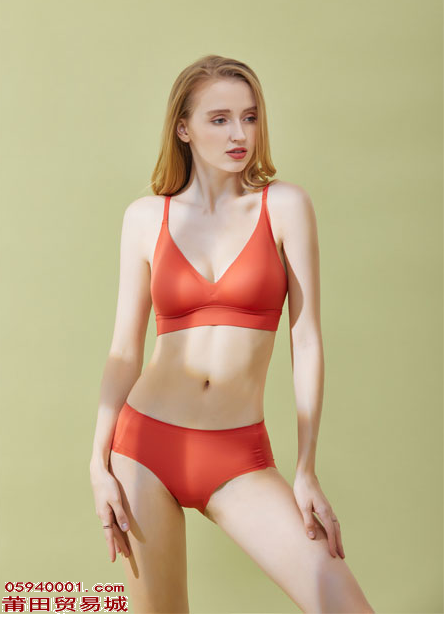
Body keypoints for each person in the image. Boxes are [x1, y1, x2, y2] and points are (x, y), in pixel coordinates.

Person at [89, 54, 375, 614]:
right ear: (184, 128)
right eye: (219, 119)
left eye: (249, 117)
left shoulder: (284, 206)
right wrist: (96, 464)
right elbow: (124, 350)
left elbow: (306, 339)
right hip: (143, 447)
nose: (239, 134)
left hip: (237, 455)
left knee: (343, 605)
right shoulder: (145, 218)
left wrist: (306, 468)